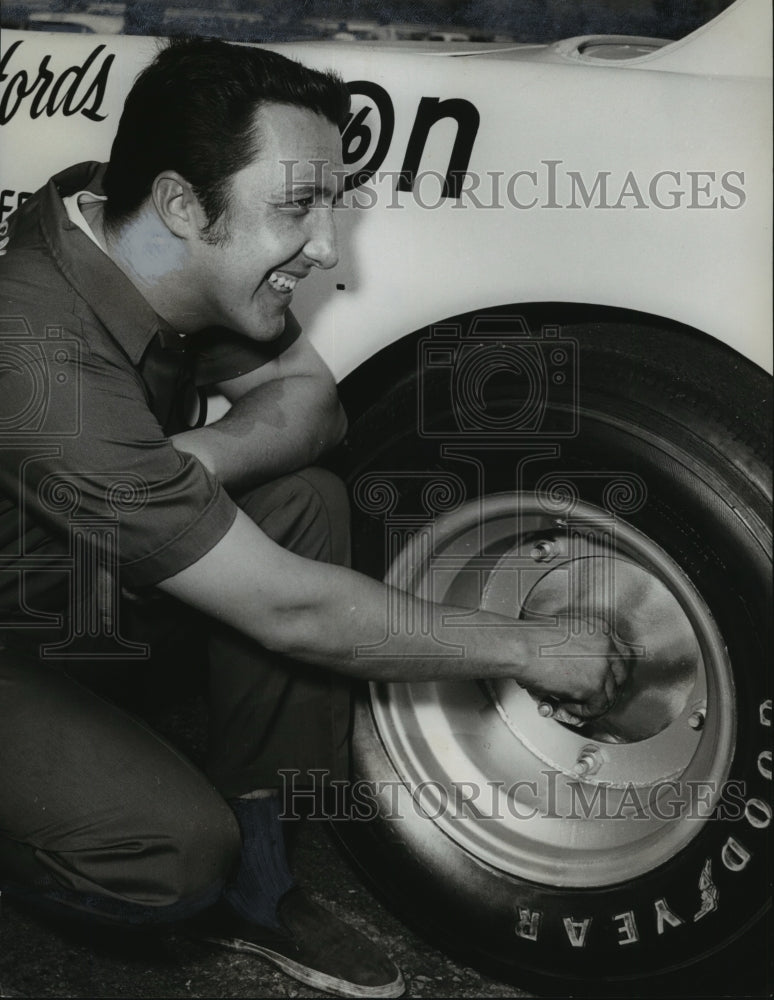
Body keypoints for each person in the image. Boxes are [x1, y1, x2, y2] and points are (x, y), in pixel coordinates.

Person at [0, 37, 628, 999]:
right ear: (180, 205)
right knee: (167, 855)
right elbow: (294, 612)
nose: (328, 248)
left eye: (331, 205)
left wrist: (193, 460)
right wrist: (530, 648)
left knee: (303, 502)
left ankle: (265, 876)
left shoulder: (129, 226)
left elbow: (311, 407)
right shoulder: (37, 353)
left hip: (72, 580)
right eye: (296, 207)